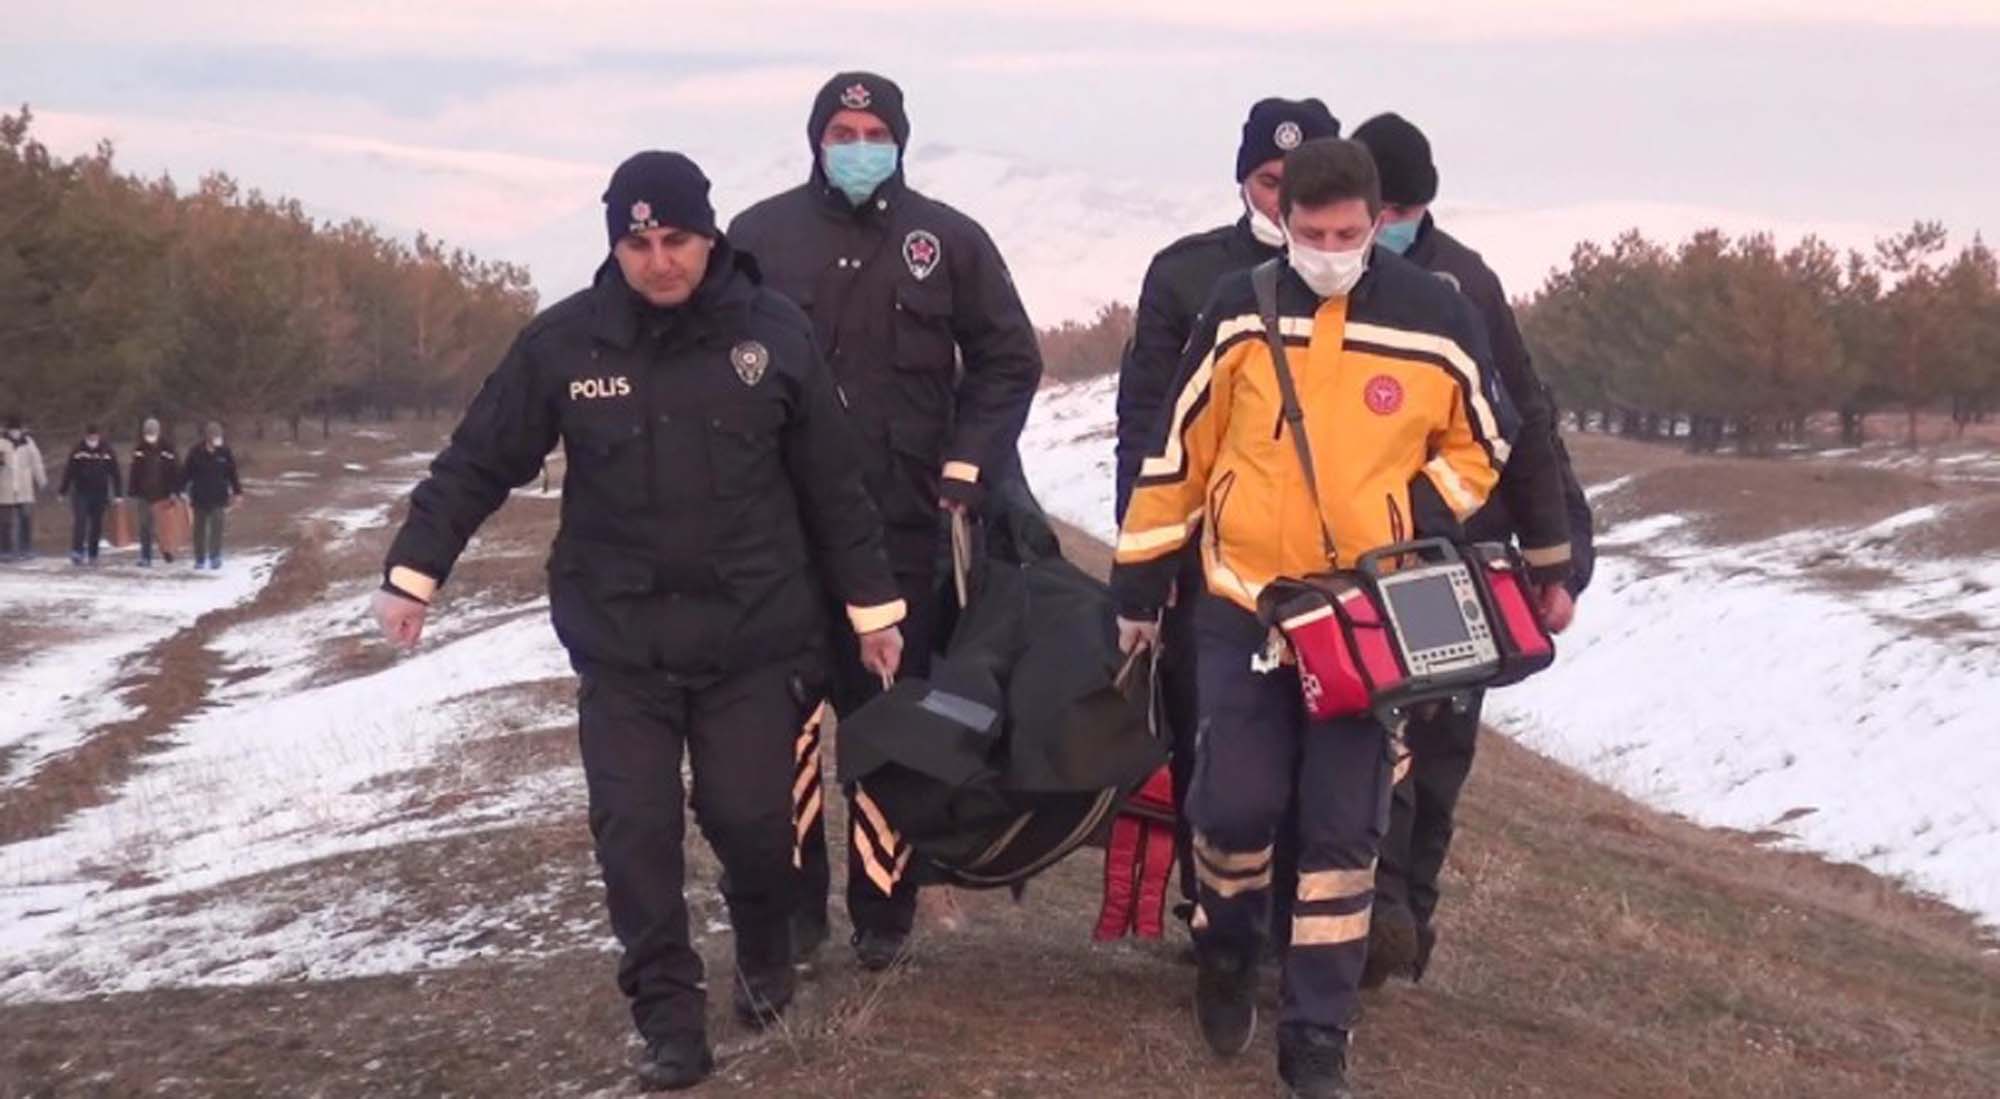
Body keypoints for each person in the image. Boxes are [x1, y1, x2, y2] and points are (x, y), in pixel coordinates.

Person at [372, 150, 907, 1091]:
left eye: (677, 241)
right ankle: (668, 1015)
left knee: (749, 819)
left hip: (750, 640)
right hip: (623, 647)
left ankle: (764, 943)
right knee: (635, 831)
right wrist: (415, 572)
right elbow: (476, 460)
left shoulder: (772, 334)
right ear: (616, 244)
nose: (660, 261)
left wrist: (873, 612)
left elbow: (836, 488)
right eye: (638, 242)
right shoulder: (567, 346)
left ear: (711, 238)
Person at [1112, 138, 1516, 1098]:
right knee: (1233, 804)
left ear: (1378, 223)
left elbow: (1488, 437)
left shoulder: (1439, 315)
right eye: (1309, 232)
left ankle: (1317, 1030)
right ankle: (1225, 947)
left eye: (1346, 233)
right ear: (1283, 221)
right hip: (1245, 603)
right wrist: (1137, 580)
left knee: (1343, 833)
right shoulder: (1236, 309)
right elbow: (1181, 452)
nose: (1327, 249)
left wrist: (1418, 514)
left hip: (1365, 619)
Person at [729, 71, 1043, 972]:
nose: (857, 143)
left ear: (901, 139)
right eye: (841, 128)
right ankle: (794, 908)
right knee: (781, 727)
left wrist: (970, 460)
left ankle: (883, 904)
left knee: (886, 720)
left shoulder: (947, 240)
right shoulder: (756, 238)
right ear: (815, 138)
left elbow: (1008, 359)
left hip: (906, 527)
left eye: (873, 129)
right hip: (782, 538)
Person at [1352, 111, 1593, 985]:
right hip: (1350, 555)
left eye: (1407, 208)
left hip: (1456, 561)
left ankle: (1408, 913)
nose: (1391, 225)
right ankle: (1361, 919)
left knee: (1441, 752)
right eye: (1384, 207)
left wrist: (1559, 557)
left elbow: (1525, 420)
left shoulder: (1466, 283)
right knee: (1371, 746)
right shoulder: (1308, 278)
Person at [1114, 96, 1340, 947]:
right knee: (1212, 747)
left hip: (1336, 568)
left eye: (1302, 181)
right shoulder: (1186, 274)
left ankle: (1306, 925)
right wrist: (1146, 558)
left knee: (1324, 759)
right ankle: (1214, 917)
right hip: (1211, 567)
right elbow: (1146, 426)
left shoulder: (1383, 293)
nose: (1285, 200)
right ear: (1244, 180)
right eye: (1268, 180)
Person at [58, 424, 122, 566]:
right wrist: (63, 490)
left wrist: (118, 494)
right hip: (81, 492)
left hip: (100, 493)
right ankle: (77, 551)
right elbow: (69, 471)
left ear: (98, 436)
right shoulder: (78, 450)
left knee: (96, 524)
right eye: (90, 437)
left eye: (95, 436)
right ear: (86, 436)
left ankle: (93, 552)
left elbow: (115, 473)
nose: (93, 439)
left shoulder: (107, 450)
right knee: (80, 522)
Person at [180, 421, 241, 570]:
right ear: (208, 437)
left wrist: (238, 492)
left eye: (220, 436)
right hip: (200, 496)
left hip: (219, 496)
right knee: (199, 529)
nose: (218, 439)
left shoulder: (224, 452)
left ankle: (215, 556)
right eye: (215, 436)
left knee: (217, 526)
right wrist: (180, 490)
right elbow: (186, 473)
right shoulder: (195, 452)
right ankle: (200, 558)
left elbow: (232, 473)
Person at [128, 418, 181, 567]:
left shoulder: (168, 448)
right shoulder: (139, 449)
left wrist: (174, 491)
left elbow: (175, 471)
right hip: (144, 494)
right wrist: (133, 490)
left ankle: (167, 551)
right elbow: (134, 471)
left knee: (163, 527)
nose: (150, 435)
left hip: (163, 494)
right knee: (145, 526)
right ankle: (146, 556)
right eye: (147, 433)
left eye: (152, 432)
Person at [0, 416, 47, 560]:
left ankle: (25, 548)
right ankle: (5, 550)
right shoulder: (1, 443)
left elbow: (36, 463)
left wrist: (42, 481)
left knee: (26, 519)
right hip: (5, 487)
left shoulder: (28, 443)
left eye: (17, 430)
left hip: (24, 488)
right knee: (5, 522)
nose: (15, 432)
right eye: (13, 430)